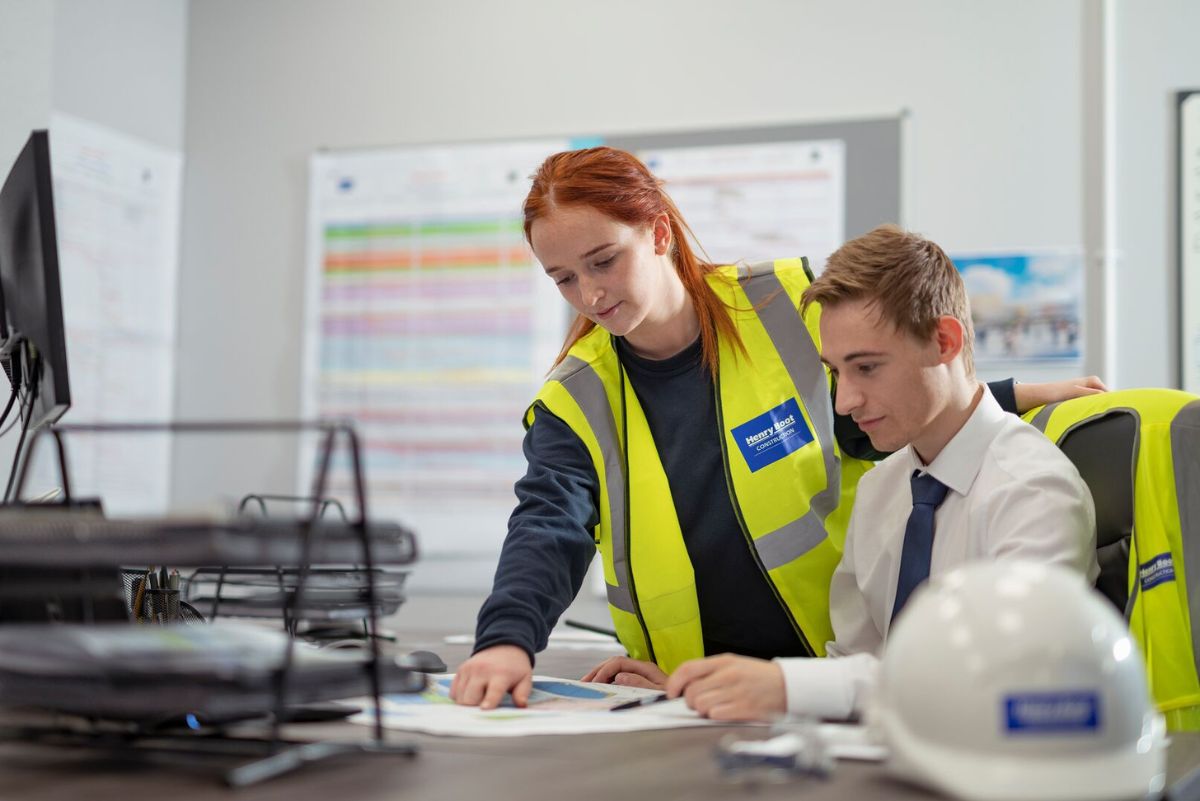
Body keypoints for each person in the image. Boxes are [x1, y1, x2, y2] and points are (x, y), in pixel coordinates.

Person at [449, 147, 1103, 710]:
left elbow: (867, 411)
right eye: (563, 278)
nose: (589, 295)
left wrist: (1005, 396)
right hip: (705, 695)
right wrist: (508, 639)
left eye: (602, 261)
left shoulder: (783, 306)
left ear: (657, 233)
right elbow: (547, 525)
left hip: (829, 678)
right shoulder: (577, 393)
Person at [664, 225, 1099, 721]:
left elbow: (1001, 677)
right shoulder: (881, 489)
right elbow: (856, 664)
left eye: (866, 368)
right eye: (835, 373)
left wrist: (789, 686)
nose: (845, 402)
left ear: (944, 341)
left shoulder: (1032, 491)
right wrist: (709, 690)